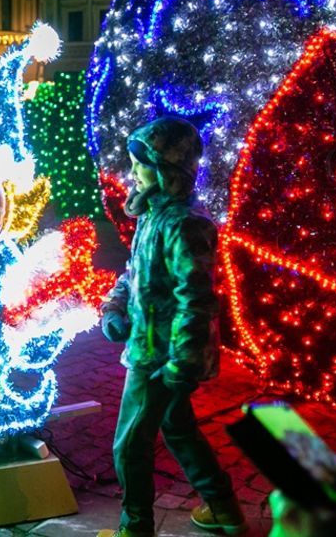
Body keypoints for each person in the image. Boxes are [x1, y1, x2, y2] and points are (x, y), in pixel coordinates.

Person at [101, 116, 246, 536]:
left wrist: (179, 364)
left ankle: (136, 527)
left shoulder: (185, 224)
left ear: (168, 169)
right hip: (152, 346)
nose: (133, 172)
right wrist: (116, 306)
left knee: (129, 444)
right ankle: (222, 508)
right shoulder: (153, 215)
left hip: (159, 356)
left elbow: (195, 300)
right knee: (177, 427)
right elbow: (135, 273)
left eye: (140, 163)